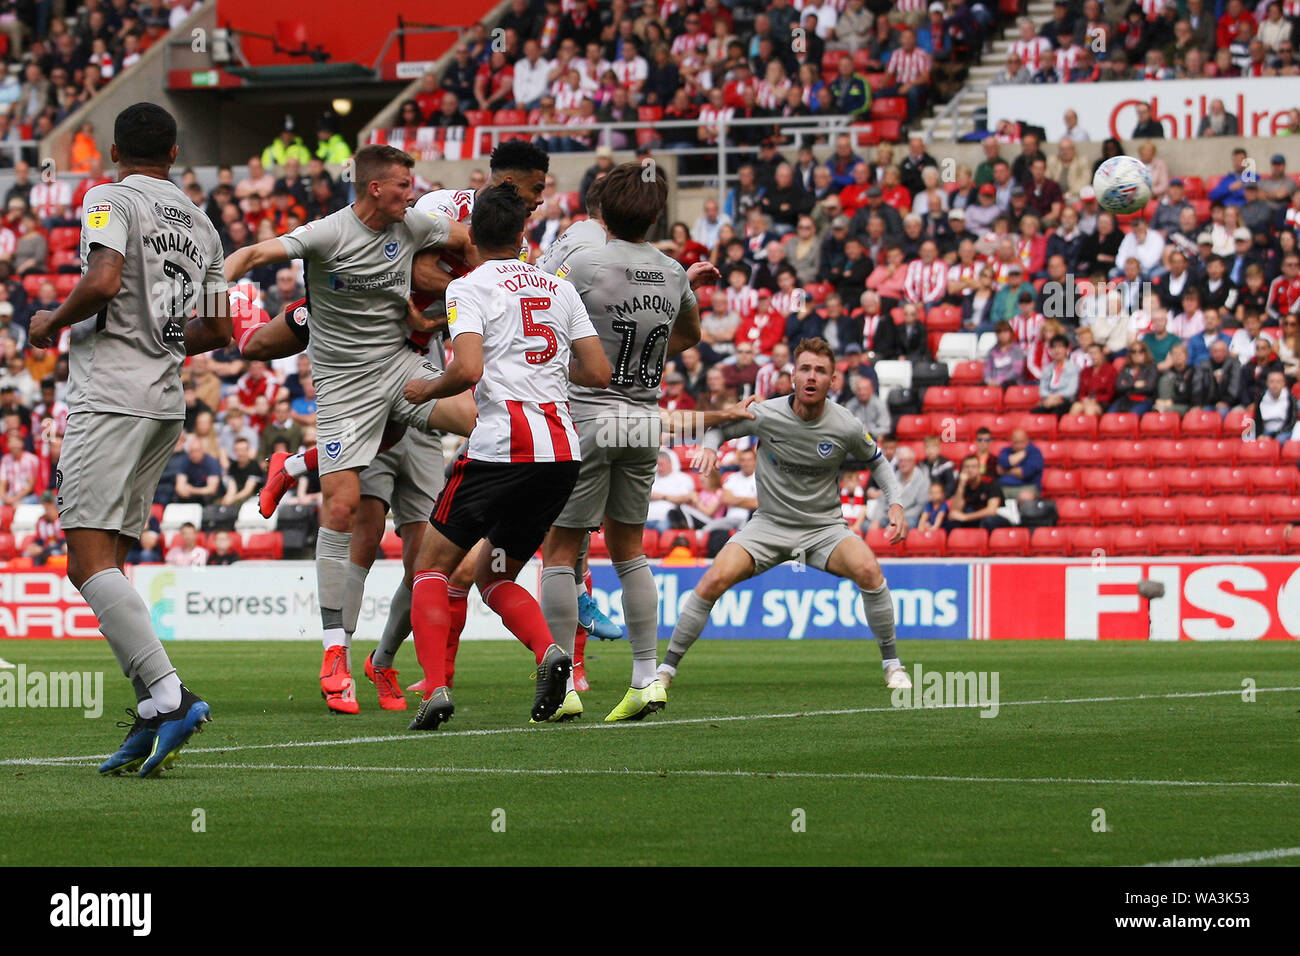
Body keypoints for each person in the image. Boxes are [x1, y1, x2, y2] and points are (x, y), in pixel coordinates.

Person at [224, 143, 478, 715]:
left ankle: (294, 466)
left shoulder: (414, 224)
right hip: (343, 385)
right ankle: (335, 653)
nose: (412, 193)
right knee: (341, 511)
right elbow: (253, 251)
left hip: (401, 367)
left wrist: (490, 278)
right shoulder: (325, 235)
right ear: (373, 189)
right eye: (403, 185)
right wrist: (220, 281)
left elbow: (466, 243)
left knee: (486, 423)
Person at [26, 104, 229, 777]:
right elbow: (218, 330)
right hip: (164, 402)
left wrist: (51, 321)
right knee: (106, 561)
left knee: (84, 562)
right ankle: (150, 709)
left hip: (110, 395)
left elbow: (105, 279)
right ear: (174, 152)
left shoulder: (108, 197)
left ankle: (170, 697)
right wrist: (162, 335)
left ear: (114, 149)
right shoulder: (203, 224)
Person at [399, 183, 611, 730]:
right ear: (524, 234)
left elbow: (467, 370)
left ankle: (435, 690)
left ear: (471, 236)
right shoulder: (558, 289)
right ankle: (549, 653)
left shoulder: (467, 287)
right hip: (560, 453)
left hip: (500, 450)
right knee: (495, 576)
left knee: (431, 567)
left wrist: (427, 389)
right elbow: (597, 372)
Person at [538, 162, 725, 723]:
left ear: (601, 211)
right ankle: (647, 676)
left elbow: (540, 318)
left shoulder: (583, 260)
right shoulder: (672, 270)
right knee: (630, 551)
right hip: (645, 418)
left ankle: (564, 683)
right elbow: (688, 333)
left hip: (589, 415)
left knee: (560, 552)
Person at [657, 337, 912, 692]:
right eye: (805, 369)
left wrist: (895, 505)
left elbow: (879, 462)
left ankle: (892, 664)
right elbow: (720, 427)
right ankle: (666, 669)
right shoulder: (766, 413)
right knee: (713, 580)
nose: (811, 377)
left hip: (824, 530)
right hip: (768, 526)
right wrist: (711, 450)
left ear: (832, 381)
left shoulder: (846, 425)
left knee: (870, 571)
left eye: (820, 371)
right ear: (793, 376)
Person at [947, 454, 1007, 531]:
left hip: (997, 518)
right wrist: (961, 485)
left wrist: (965, 517)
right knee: (952, 521)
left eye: (973, 466)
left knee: (989, 520)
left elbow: (991, 511)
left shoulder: (990, 483)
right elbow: (955, 511)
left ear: (979, 469)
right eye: (967, 467)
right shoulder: (961, 484)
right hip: (974, 517)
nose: (970, 470)